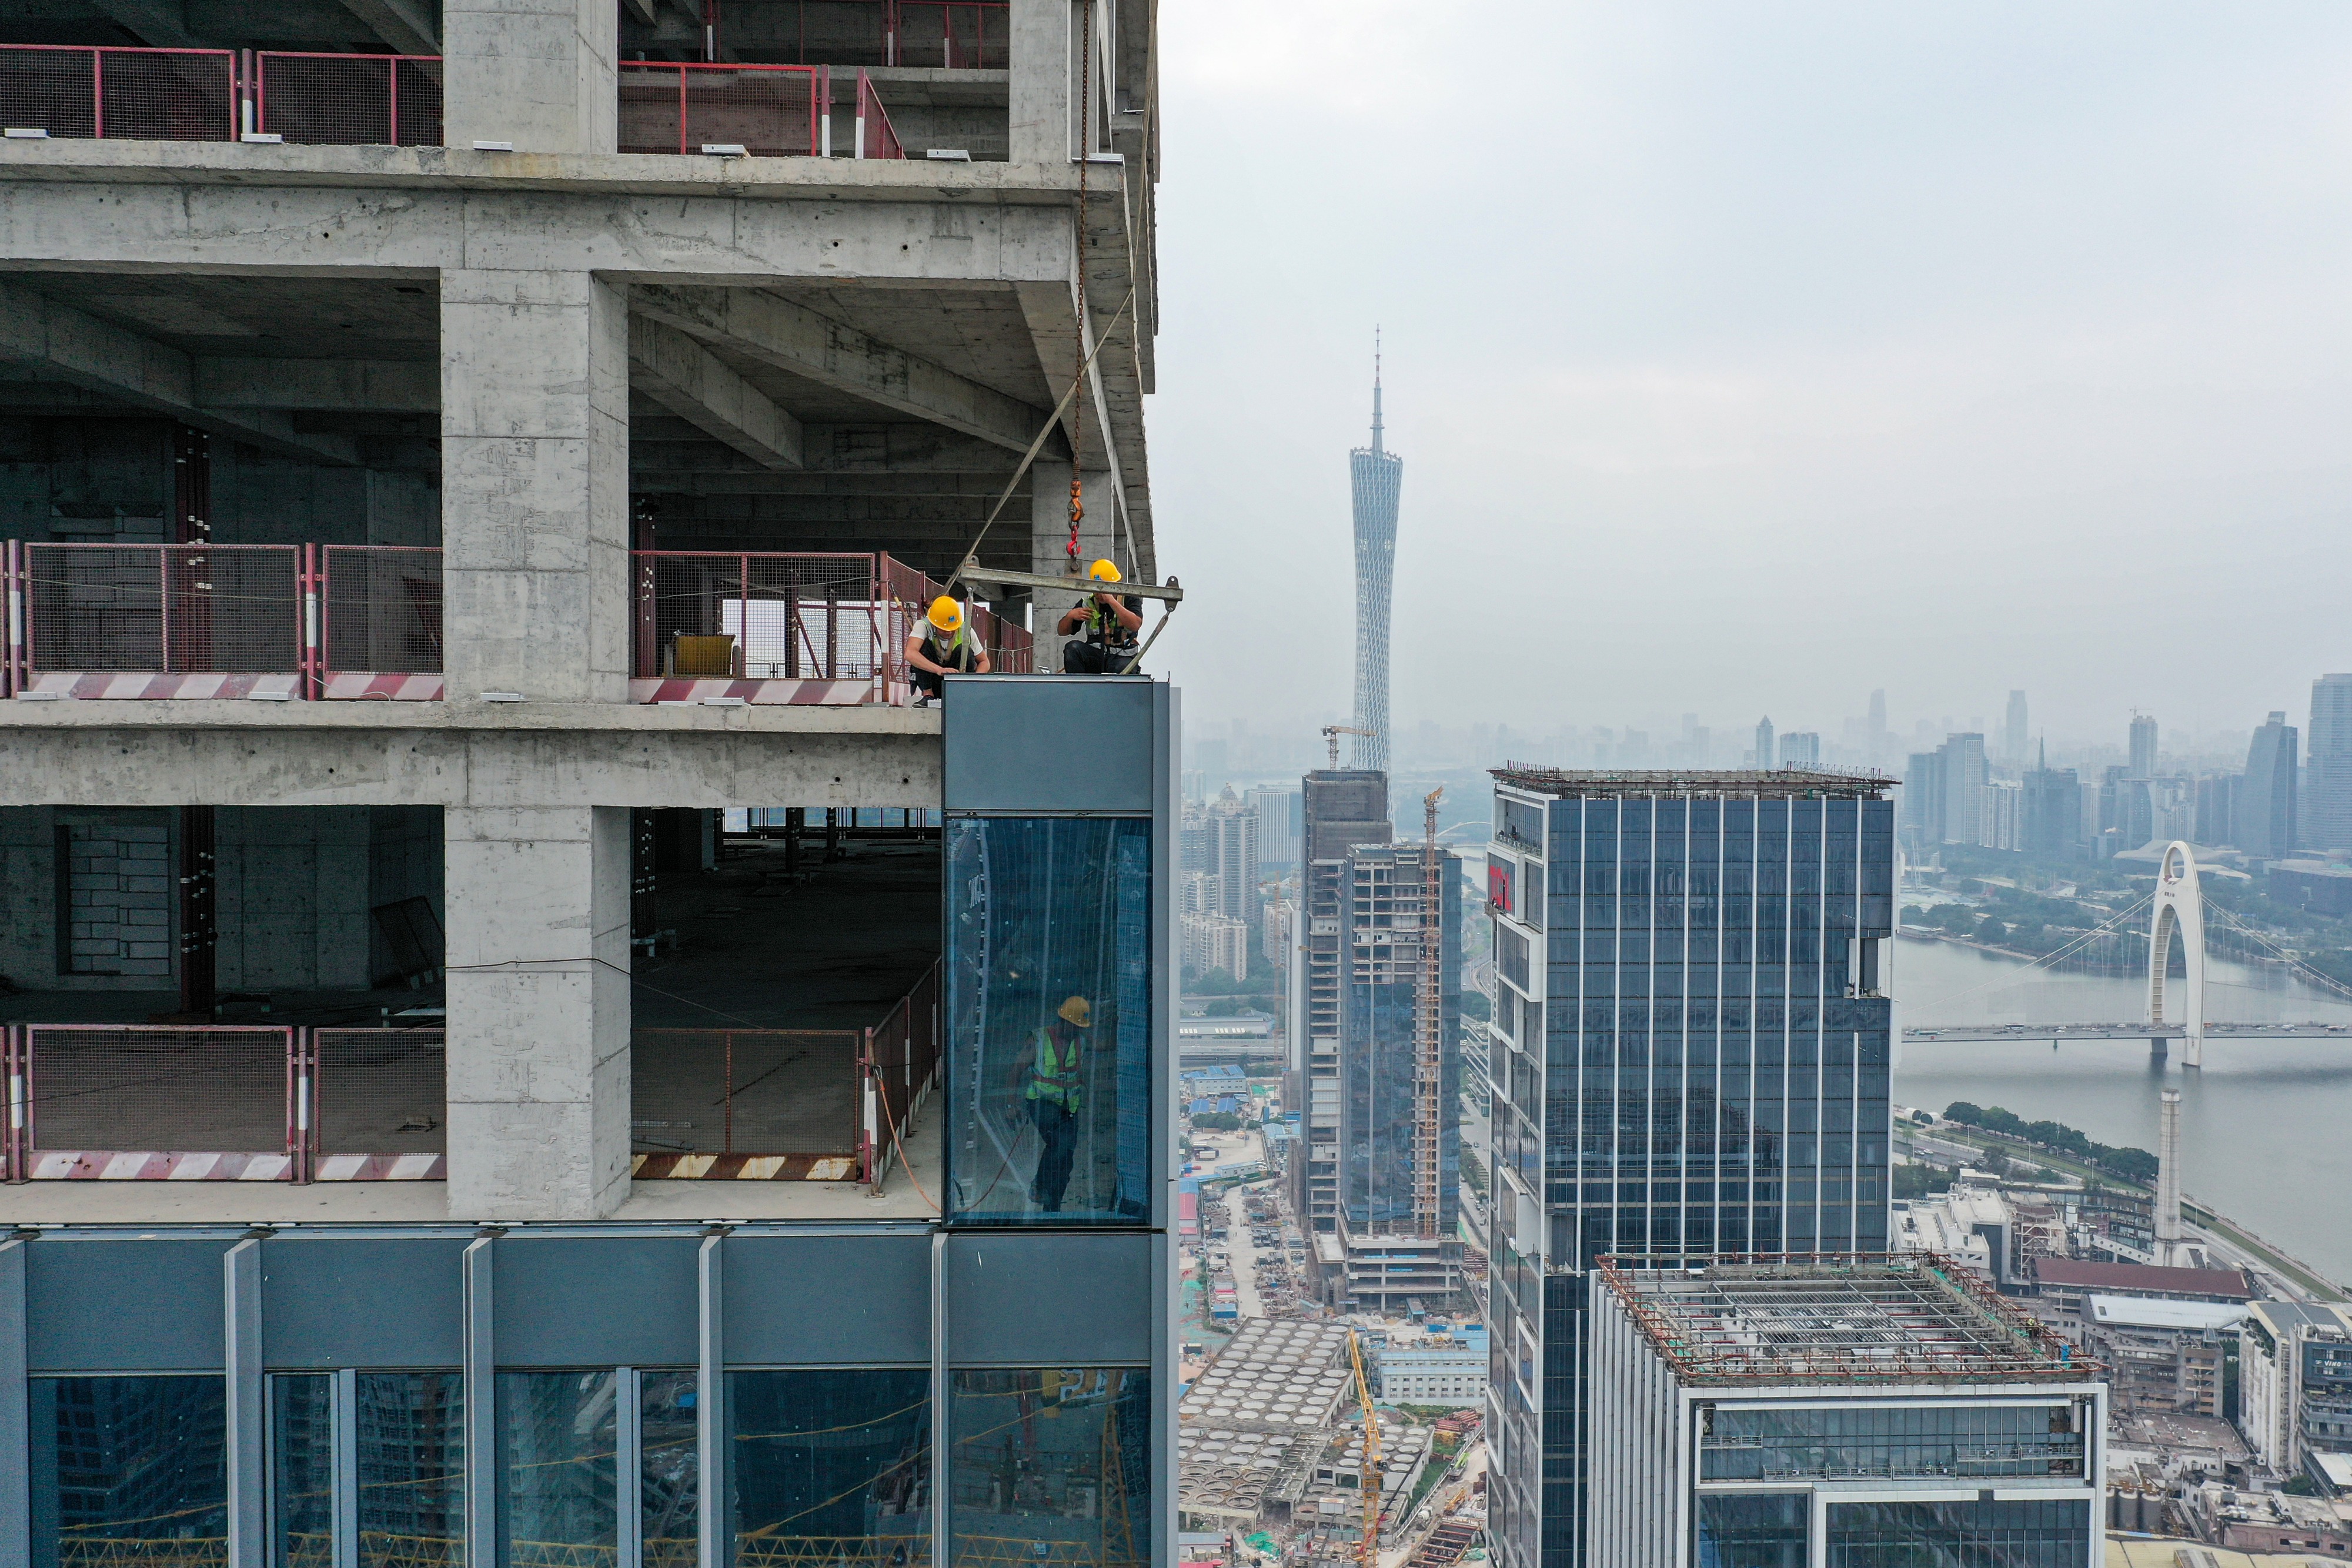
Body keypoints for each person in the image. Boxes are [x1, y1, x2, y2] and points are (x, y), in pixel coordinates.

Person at [1013, 994, 1092, 1212]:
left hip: (1069, 1106)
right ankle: (1039, 1186)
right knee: (1060, 1145)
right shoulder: (1039, 1040)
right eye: (1075, 1027)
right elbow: (1017, 1069)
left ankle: (1052, 1206)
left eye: (1080, 1028)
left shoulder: (1080, 1041)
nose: (1077, 1032)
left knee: (1066, 1161)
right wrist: (1012, 1105)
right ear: (1064, 1021)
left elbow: (1105, 1045)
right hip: (1042, 1103)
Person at [1057, 558, 1143, 674]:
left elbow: (1135, 625)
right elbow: (1062, 632)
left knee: (1119, 669)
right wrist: (1070, 616)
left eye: (1103, 589)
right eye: (1096, 590)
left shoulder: (1129, 599)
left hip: (1123, 657)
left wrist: (1111, 601)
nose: (1099, 595)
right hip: (1097, 656)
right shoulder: (1089, 603)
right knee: (1072, 648)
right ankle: (1079, 684)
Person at [906, 595, 990, 706]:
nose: (949, 633)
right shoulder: (923, 626)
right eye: (944, 629)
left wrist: (974, 683)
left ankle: (964, 695)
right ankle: (928, 695)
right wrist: (939, 670)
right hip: (934, 678)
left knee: (965, 650)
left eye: (952, 629)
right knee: (923, 647)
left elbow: (984, 662)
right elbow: (910, 654)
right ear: (934, 624)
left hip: (957, 683)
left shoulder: (966, 631)